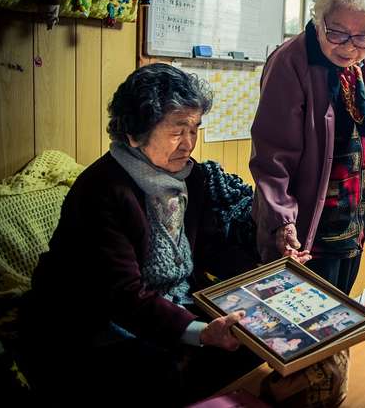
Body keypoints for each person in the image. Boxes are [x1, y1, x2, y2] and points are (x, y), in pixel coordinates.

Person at [18, 64, 262, 407]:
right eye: (178, 130)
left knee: (257, 341)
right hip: (90, 323)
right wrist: (202, 332)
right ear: (135, 132)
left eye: (195, 129)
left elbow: (208, 251)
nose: (189, 143)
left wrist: (268, 263)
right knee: (157, 374)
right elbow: (122, 295)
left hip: (165, 306)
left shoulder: (190, 179)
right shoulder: (101, 190)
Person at [250, 0, 365, 295]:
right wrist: (282, 221)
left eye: (362, 36)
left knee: (340, 306)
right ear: (319, 19)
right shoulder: (291, 61)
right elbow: (271, 155)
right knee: (302, 320)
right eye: (337, 32)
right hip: (306, 225)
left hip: (354, 215)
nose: (348, 46)